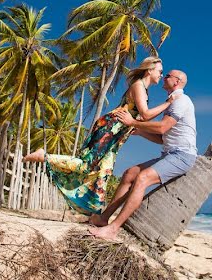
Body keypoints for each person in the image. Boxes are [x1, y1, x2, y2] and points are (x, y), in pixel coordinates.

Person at [22, 56, 174, 215]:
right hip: (109, 129)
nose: (162, 75)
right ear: (149, 70)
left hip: (117, 134)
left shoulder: (144, 89)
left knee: (104, 171)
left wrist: (142, 129)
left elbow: (140, 116)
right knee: (87, 164)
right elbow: (146, 113)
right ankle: (44, 156)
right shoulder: (138, 85)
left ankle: (96, 213)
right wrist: (168, 103)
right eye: (160, 71)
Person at [88, 69, 197, 240]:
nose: (164, 76)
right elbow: (162, 138)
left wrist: (133, 122)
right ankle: (103, 218)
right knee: (130, 174)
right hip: (170, 154)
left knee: (143, 178)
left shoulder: (182, 101)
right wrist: (139, 131)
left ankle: (113, 229)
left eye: (167, 75)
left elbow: (162, 127)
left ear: (177, 81)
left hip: (182, 156)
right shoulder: (172, 101)